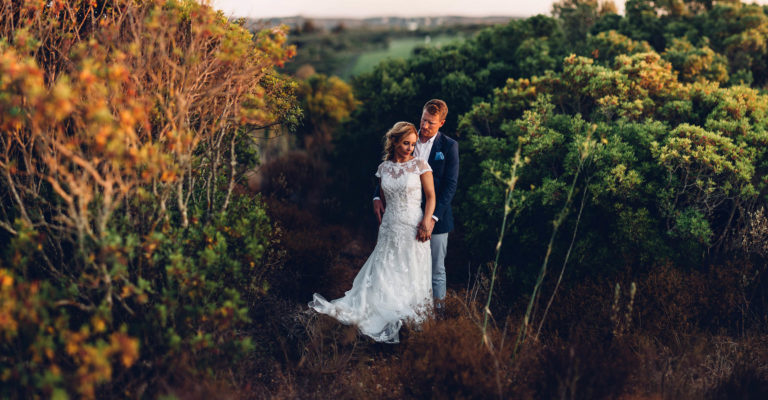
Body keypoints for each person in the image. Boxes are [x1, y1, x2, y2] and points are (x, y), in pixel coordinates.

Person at [309, 122, 436, 343]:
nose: (410, 148)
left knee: (411, 271)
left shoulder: (420, 165)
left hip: (414, 228)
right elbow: (385, 199)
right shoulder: (384, 169)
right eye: (406, 143)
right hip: (389, 227)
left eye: (413, 144)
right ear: (395, 141)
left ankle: (408, 324)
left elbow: (431, 196)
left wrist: (426, 220)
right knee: (385, 270)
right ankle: (381, 315)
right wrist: (381, 209)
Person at [374, 99, 458, 306]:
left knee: (436, 269)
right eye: (423, 120)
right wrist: (377, 196)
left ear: (442, 123)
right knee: (404, 267)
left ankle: (436, 316)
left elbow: (450, 186)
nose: (425, 126)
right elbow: (392, 170)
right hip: (404, 218)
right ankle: (403, 310)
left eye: (431, 122)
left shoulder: (449, 146)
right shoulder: (407, 137)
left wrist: (432, 218)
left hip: (436, 218)